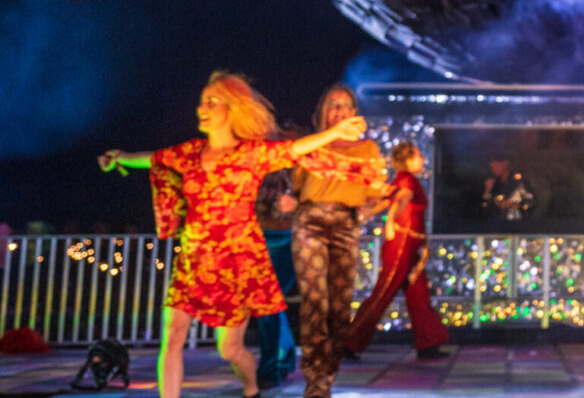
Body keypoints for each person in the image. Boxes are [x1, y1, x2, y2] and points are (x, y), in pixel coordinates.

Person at [97, 72, 383, 398]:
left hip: (237, 263)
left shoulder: (249, 155)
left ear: (232, 110)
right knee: (172, 336)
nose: (201, 108)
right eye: (202, 102)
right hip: (194, 260)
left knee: (230, 350)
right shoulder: (188, 153)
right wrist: (119, 157)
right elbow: (153, 159)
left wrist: (335, 132)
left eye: (212, 102)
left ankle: (251, 389)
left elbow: (291, 149)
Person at [282, 85, 386, 398]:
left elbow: (378, 193)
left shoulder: (367, 149)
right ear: (324, 111)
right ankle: (315, 383)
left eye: (347, 106)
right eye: (334, 105)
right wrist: (288, 202)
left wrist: (366, 209)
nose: (340, 111)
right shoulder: (312, 146)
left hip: (345, 225)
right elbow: (296, 189)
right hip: (309, 223)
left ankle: (327, 373)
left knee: (340, 308)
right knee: (315, 302)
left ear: (355, 113)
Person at [344, 142, 451, 359]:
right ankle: (349, 342)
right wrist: (390, 220)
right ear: (409, 159)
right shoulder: (407, 179)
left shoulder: (404, 179)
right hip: (402, 244)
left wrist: (368, 212)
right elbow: (401, 198)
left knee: (418, 293)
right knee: (384, 291)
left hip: (412, 246)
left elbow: (389, 200)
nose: (422, 159)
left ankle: (429, 342)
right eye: (419, 155)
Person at [252, 168, 297, 390]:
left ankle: (270, 367)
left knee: (269, 302)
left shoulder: (297, 162)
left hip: (287, 239)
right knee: (270, 305)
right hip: (256, 237)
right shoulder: (252, 159)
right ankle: (284, 358)